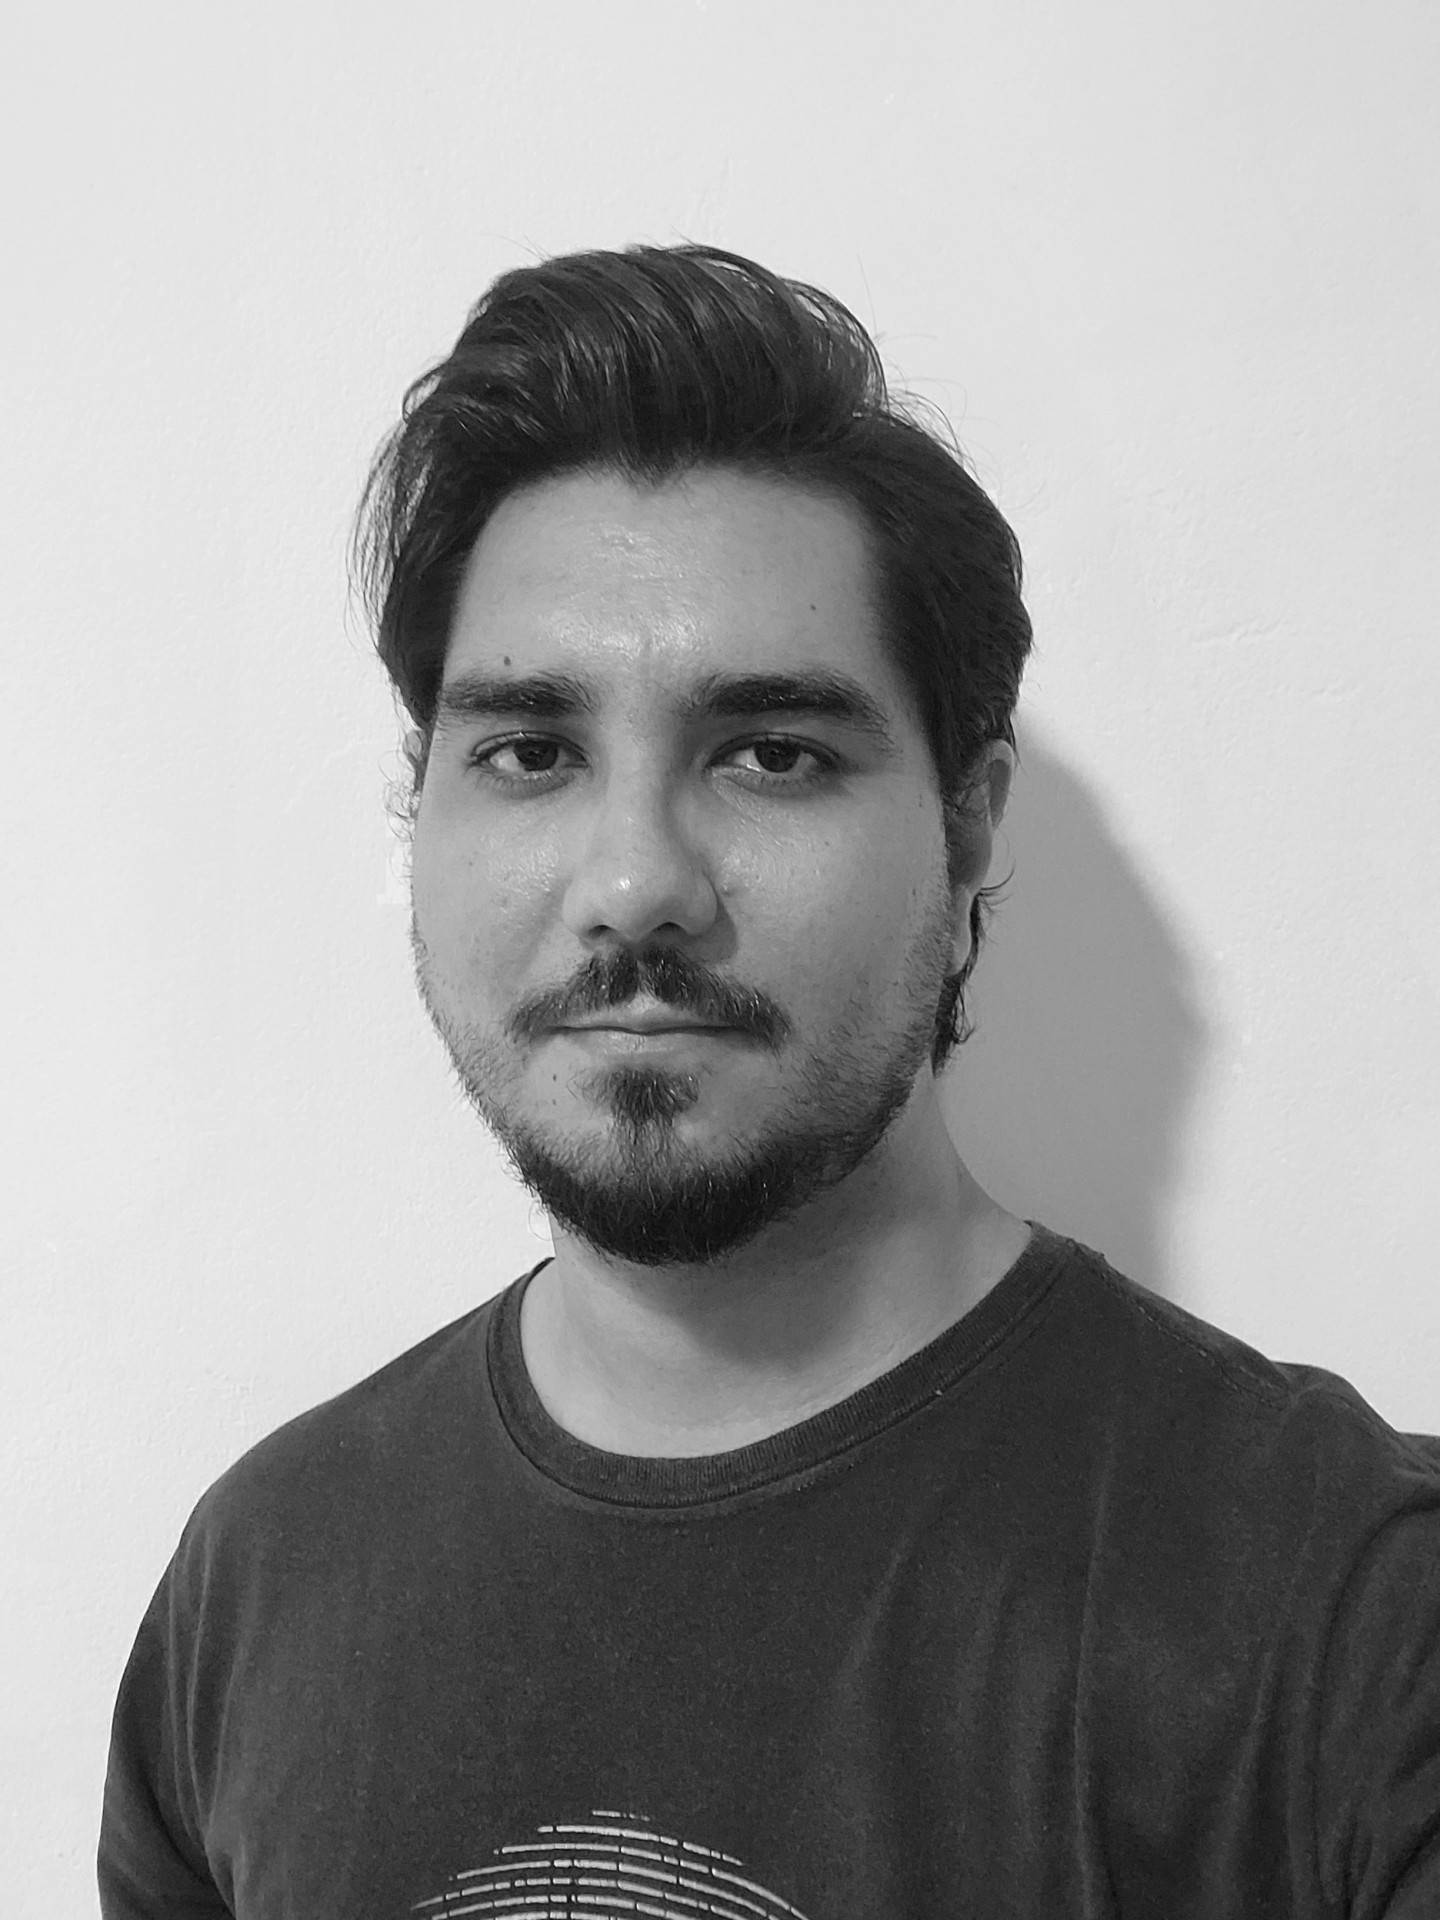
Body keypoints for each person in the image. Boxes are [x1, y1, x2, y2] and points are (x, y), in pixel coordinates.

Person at [98, 244, 1440, 1919]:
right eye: (531, 751)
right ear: (421, 808)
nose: (635, 883)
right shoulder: (255, 1586)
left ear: (967, 824)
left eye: (772, 753)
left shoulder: (1352, 1620)